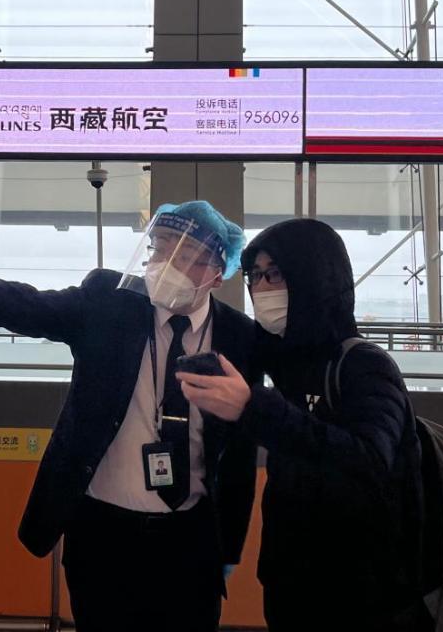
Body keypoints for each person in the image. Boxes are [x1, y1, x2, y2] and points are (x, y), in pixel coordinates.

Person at [0, 201, 259, 632]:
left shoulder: (240, 337)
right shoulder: (109, 302)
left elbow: (239, 453)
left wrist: (228, 546)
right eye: (158, 248)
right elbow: (27, 306)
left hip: (191, 539)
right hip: (103, 533)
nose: (164, 264)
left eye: (183, 254)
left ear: (217, 273)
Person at [177, 218, 427, 630]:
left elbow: (369, 461)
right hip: (291, 584)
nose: (261, 288)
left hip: (364, 593)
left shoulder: (364, 365)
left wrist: (255, 408)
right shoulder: (286, 362)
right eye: (255, 276)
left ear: (314, 277)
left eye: (275, 274)